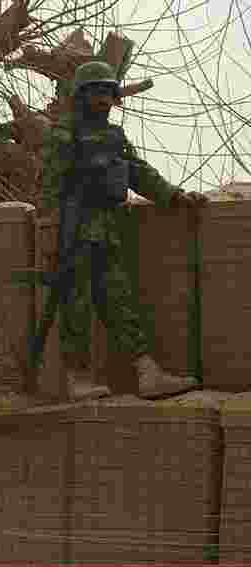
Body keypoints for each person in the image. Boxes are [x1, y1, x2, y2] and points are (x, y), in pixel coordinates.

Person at [39, 61, 208, 401]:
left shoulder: (115, 136)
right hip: (74, 231)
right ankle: (79, 378)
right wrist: (50, 232)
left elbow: (138, 172)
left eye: (107, 92)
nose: (103, 99)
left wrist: (173, 195)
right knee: (77, 305)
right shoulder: (65, 132)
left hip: (107, 230)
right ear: (82, 95)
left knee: (119, 302)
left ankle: (148, 373)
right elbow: (48, 186)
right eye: (96, 92)